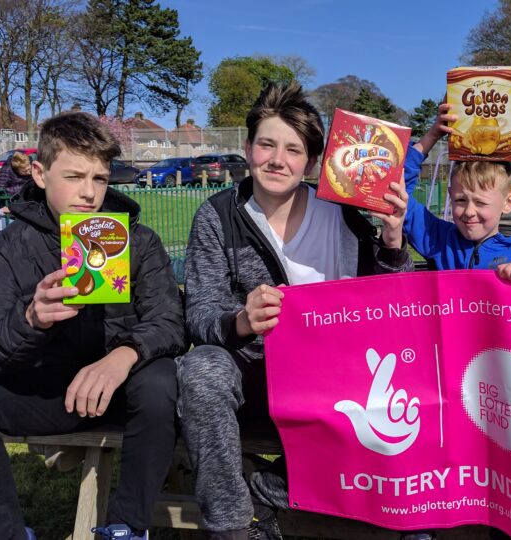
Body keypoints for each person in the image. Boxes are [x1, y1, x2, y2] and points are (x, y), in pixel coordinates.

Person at [0, 112, 186, 540]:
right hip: (49, 394)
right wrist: (30, 319)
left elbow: (171, 321)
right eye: (74, 176)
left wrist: (124, 356)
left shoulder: (138, 241)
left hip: (124, 393)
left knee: (160, 380)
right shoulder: (10, 247)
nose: (89, 193)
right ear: (40, 174)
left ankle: (125, 527)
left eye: (100, 179)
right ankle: (8, 534)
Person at [175, 82, 414, 540]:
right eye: (266, 144)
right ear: (248, 149)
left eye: (293, 149)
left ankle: (263, 495)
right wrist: (240, 321)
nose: (277, 160)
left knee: (400, 389)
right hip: (253, 376)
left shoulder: (344, 214)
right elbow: (199, 311)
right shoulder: (217, 215)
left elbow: (390, 306)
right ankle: (231, 529)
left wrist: (392, 240)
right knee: (201, 368)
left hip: (332, 382)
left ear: (312, 161)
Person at [402, 103, 511, 282]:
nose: (469, 212)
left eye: (481, 202)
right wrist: (432, 136)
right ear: (450, 196)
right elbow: (397, 193)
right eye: (461, 200)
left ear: (508, 202)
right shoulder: (438, 238)